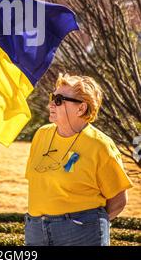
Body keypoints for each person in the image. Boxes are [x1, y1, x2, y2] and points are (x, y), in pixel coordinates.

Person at [25, 73, 133, 246]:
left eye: (59, 99)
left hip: (80, 234)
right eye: (53, 97)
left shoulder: (100, 145)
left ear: (81, 108)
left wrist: (84, 225)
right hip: (36, 230)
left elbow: (119, 200)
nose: (51, 103)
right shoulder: (41, 135)